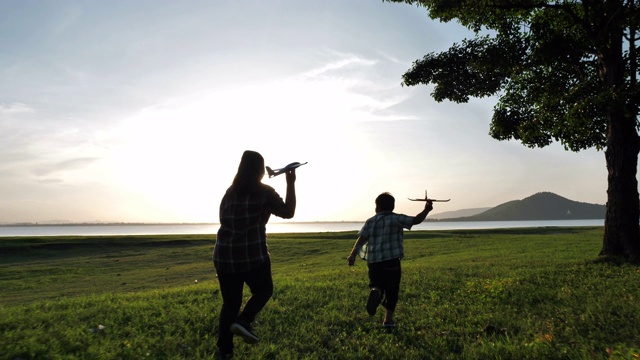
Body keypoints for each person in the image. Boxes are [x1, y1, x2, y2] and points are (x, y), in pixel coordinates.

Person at [213, 150, 296, 359]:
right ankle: (244, 320)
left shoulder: (230, 192)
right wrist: (291, 182)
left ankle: (225, 351)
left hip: (224, 255)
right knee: (264, 290)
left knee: (230, 303)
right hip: (251, 254)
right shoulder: (264, 192)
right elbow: (288, 212)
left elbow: (223, 217)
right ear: (260, 170)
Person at [347, 192, 433, 329]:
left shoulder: (371, 221)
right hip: (392, 262)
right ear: (392, 207)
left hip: (374, 262)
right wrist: (426, 209)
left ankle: (376, 291)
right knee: (392, 290)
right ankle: (387, 321)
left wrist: (352, 255)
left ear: (378, 207)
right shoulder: (397, 219)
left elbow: (361, 238)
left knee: (376, 283)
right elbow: (416, 220)